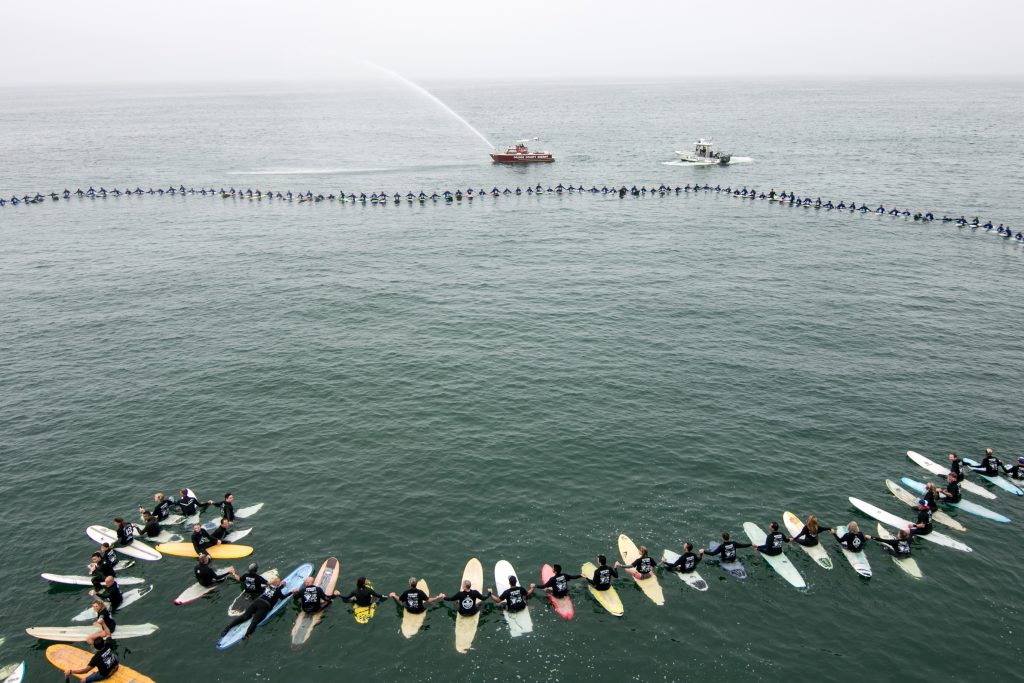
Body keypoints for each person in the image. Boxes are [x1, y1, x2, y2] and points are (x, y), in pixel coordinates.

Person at [221, 577, 289, 640]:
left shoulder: (268, 587)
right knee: (254, 622)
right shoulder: (278, 591)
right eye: (279, 581)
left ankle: (228, 627)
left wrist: (281, 586)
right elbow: (282, 597)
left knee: (244, 616)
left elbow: (274, 590)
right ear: (277, 583)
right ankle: (246, 636)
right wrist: (292, 592)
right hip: (264, 607)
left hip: (256, 602)